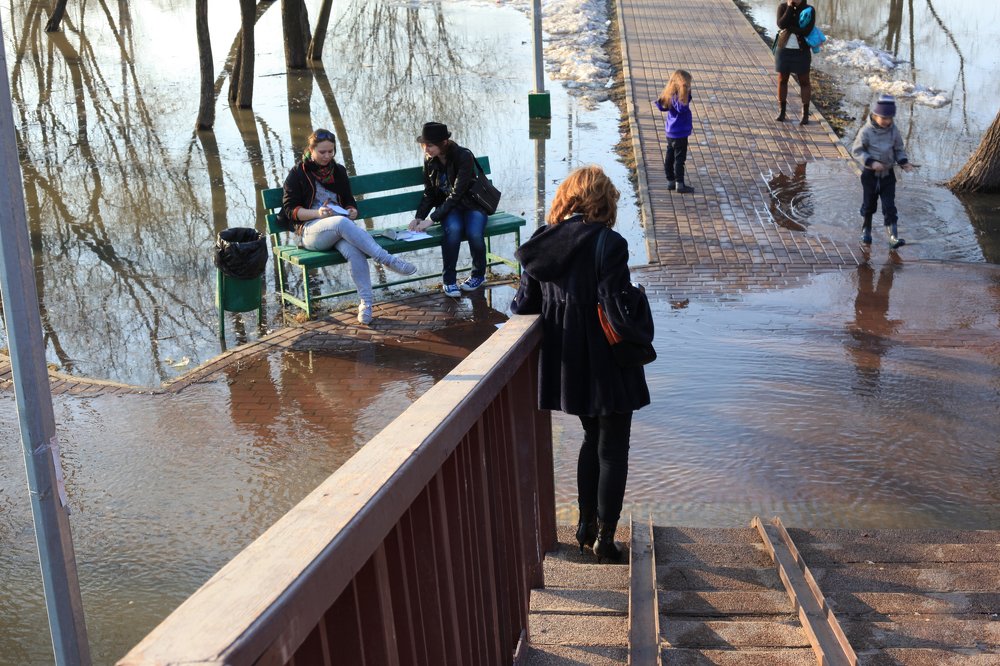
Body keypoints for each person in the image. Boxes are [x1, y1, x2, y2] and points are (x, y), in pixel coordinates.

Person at [511, 165, 651, 563]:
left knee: (593, 439)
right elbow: (618, 311)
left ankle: (585, 528)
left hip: (567, 363)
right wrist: (638, 298)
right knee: (613, 449)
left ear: (566, 199)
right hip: (608, 361)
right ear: (602, 202)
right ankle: (605, 541)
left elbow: (524, 305)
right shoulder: (609, 244)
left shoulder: (541, 243)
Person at [278, 129, 417, 325]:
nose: (327, 156)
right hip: (311, 231)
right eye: (322, 152)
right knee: (342, 223)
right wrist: (317, 214)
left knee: (355, 251)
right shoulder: (298, 173)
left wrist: (351, 210)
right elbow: (290, 210)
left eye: (331, 151)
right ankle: (386, 259)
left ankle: (366, 304)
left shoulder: (338, 171)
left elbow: (349, 201)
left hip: (339, 229)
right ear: (311, 150)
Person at [407, 122, 490, 298]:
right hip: (450, 208)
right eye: (424, 145)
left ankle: (478, 276)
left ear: (443, 142)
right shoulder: (429, 160)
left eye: (429, 145)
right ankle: (449, 281)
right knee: (453, 230)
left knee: (474, 233)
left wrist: (432, 218)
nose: (426, 149)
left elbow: (457, 193)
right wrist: (419, 217)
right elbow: (429, 192)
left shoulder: (463, 156)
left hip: (471, 204)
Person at [851, 95, 915, 249]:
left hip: (888, 176)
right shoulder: (866, 131)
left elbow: (898, 148)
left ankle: (893, 236)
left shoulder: (894, 131)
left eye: (890, 118)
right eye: (884, 118)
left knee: (889, 206)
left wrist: (903, 162)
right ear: (875, 115)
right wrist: (871, 162)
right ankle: (866, 230)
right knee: (869, 205)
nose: (887, 121)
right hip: (870, 176)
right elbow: (857, 150)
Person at [774, 0, 815, 125]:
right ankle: (782, 112)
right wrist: (790, 7)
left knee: (804, 81)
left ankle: (805, 114)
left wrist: (790, 28)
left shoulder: (809, 10)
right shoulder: (782, 7)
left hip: (801, 52)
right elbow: (781, 24)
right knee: (782, 80)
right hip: (783, 51)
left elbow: (807, 31)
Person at [654, 69, 695, 193]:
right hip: (680, 133)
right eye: (688, 85)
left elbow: (662, 105)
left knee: (670, 156)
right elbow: (682, 108)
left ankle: (670, 180)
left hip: (670, 132)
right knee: (679, 159)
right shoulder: (680, 98)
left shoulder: (670, 95)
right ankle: (680, 184)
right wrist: (686, 94)